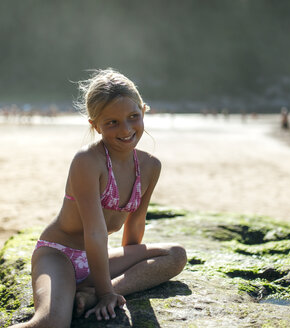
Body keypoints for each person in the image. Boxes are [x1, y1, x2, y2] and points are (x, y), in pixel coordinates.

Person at [11, 69, 187, 327]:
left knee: (176, 255)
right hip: (60, 257)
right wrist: (107, 294)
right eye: (112, 122)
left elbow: (135, 224)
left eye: (133, 117)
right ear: (95, 125)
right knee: (53, 323)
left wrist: (118, 277)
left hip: (99, 261)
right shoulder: (88, 161)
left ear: (143, 110)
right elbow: (94, 232)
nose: (126, 129)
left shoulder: (150, 166)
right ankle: (95, 291)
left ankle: (91, 293)